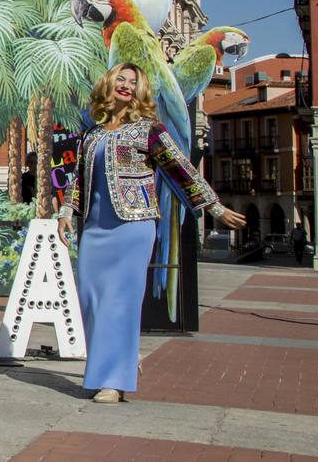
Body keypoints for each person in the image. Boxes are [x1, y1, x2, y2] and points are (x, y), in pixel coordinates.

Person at [59, 63, 245, 404]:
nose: (126, 85)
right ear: (108, 83)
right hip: (96, 230)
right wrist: (67, 211)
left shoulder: (149, 130)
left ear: (140, 90)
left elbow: (181, 168)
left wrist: (213, 206)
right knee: (91, 301)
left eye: (133, 82)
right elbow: (78, 179)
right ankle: (125, 359)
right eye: (121, 78)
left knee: (119, 303)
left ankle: (113, 381)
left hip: (133, 227)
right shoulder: (92, 134)